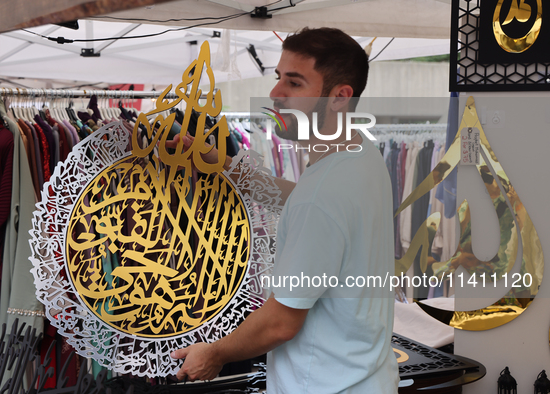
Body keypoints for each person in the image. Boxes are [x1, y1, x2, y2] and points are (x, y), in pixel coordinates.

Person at [169, 27, 399, 393]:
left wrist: (215, 353)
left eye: (294, 83)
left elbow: (281, 322)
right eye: (278, 78)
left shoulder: (325, 192)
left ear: (339, 97)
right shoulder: (359, 155)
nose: (275, 94)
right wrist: (221, 164)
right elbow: (300, 199)